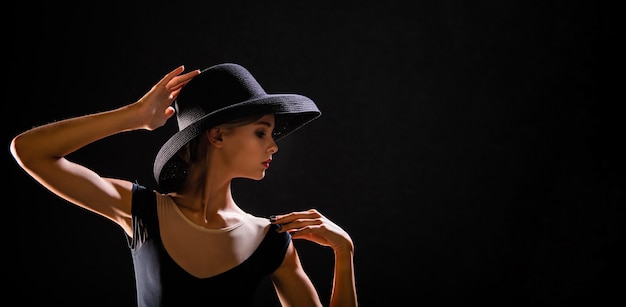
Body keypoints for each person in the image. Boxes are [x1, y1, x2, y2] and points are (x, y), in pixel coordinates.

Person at [10, 63, 357, 306]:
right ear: (218, 135)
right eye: (261, 132)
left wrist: (344, 253)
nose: (274, 145)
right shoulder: (141, 211)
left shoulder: (271, 240)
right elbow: (30, 151)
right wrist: (134, 116)